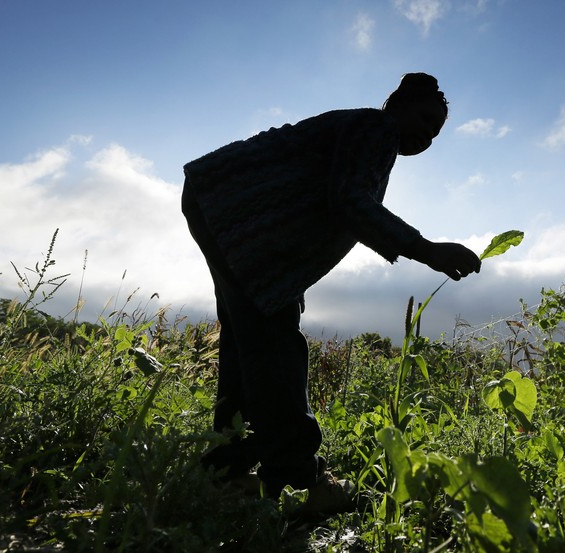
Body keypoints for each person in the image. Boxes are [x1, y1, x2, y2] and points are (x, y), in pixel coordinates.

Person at [181, 72, 481, 516]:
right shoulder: (375, 129)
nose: (427, 135)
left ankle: (228, 470)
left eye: (436, 132)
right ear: (394, 104)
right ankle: (302, 479)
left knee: (250, 339)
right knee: (273, 344)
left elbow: (338, 199)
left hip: (220, 206)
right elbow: (350, 200)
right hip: (236, 215)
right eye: (424, 119)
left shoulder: (363, 131)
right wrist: (425, 248)